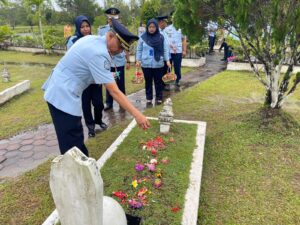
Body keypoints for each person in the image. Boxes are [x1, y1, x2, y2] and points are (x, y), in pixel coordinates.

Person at [42, 18, 150, 157]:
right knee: (72, 144)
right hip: (62, 95)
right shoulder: (100, 53)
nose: (120, 51)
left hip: (60, 89)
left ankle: (80, 170)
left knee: (73, 138)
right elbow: (114, 91)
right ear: (110, 36)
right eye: (120, 46)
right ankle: (78, 175)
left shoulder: (92, 39)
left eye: (124, 48)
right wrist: (138, 115)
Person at [66, 15, 107, 138]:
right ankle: (90, 127)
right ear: (78, 28)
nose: (85, 29)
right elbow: (71, 59)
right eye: (82, 27)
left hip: (95, 78)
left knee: (99, 103)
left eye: (87, 26)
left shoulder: (95, 39)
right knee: (86, 105)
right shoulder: (72, 41)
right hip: (82, 80)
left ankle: (98, 120)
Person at [99, 7, 130, 111]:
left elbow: (126, 46)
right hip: (107, 62)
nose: (112, 20)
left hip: (119, 61)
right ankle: (109, 103)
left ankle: (123, 103)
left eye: (114, 19)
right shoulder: (102, 30)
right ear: (107, 19)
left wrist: (128, 60)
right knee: (109, 83)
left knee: (120, 83)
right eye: (110, 18)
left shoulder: (122, 29)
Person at [136, 18, 171, 106]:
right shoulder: (142, 37)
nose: (151, 29)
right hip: (146, 64)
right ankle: (149, 98)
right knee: (148, 81)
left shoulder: (161, 36)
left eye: (153, 27)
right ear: (147, 27)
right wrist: (138, 60)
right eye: (150, 27)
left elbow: (165, 49)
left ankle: (159, 97)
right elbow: (139, 49)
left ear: (156, 27)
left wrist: (167, 60)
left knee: (158, 81)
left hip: (158, 63)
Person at [164, 12, 187, 87]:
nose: (175, 19)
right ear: (172, 19)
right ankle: (167, 82)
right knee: (168, 67)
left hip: (178, 51)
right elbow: (165, 40)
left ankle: (178, 80)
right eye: (173, 18)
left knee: (177, 67)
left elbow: (184, 40)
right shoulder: (167, 29)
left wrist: (184, 50)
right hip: (168, 52)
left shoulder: (182, 29)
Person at [156, 15, 171, 90]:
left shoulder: (164, 31)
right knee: (161, 72)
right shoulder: (157, 32)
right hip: (161, 56)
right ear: (161, 22)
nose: (166, 24)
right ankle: (161, 86)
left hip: (167, 56)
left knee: (166, 71)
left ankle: (164, 85)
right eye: (165, 22)